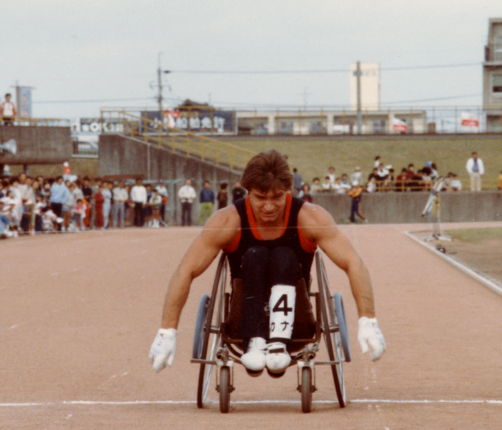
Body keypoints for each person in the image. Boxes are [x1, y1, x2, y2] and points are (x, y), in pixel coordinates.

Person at [148, 149, 386, 376]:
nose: (269, 207)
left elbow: (353, 263)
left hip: (298, 326)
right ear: (247, 191)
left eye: (277, 197)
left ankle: (278, 342)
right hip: (242, 325)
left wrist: (369, 321)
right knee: (255, 255)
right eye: (260, 198)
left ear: (288, 191)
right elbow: (186, 270)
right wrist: (166, 332)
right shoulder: (228, 220)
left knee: (284, 255)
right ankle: (257, 339)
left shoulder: (310, 217)